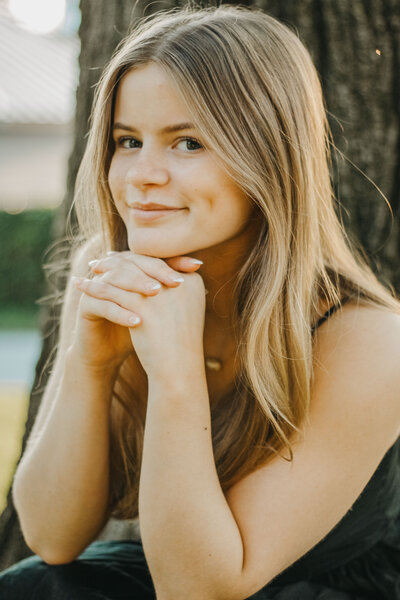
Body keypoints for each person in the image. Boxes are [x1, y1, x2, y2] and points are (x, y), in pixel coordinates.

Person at [1, 5, 399, 599]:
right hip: (177, 561)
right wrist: (91, 362)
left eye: (188, 143)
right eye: (126, 140)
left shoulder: (369, 340)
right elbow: (52, 538)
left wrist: (175, 374)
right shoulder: (108, 269)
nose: (141, 174)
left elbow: (201, 590)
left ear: (268, 157)